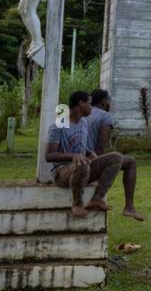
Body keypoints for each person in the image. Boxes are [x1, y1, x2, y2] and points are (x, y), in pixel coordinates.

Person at [46, 90, 123, 220]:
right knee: (82, 164)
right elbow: (49, 155)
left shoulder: (84, 123)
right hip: (61, 173)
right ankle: (77, 204)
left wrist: (88, 152)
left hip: (82, 169)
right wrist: (73, 156)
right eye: (89, 104)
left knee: (116, 157)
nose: (92, 108)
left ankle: (97, 199)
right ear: (81, 104)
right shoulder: (58, 126)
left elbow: (78, 144)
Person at [85, 88, 144, 221]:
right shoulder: (106, 116)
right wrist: (101, 166)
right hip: (89, 161)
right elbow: (102, 143)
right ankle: (129, 207)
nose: (109, 104)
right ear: (104, 102)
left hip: (78, 161)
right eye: (109, 101)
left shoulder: (83, 113)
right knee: (131, 163)